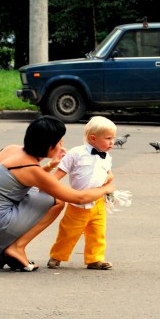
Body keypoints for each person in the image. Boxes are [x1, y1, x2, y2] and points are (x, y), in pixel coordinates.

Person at [0, 116, 115, 272]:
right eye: (60, 142)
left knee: (40, 193)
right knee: (57, 201)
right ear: (49, 146)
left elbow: (25, 177)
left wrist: (50, 165)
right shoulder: (32, 169)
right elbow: (79, 198)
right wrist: (106, 189)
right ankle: (17, 247)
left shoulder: (11, 149)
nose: (62, 146)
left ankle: (11, 249)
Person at [47, 116, 117, 270]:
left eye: (113, 138)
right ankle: (57, 256)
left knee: (97, 233)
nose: (112, 142)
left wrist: (110, 194)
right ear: (93, 138)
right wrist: (48, 187)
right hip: (77, 204)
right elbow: (60, 172)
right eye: (108, 138)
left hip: (98, 202)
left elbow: (108, 177)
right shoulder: (76, 153)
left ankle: (95, 259)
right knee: (68, 232)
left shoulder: (107, 157)